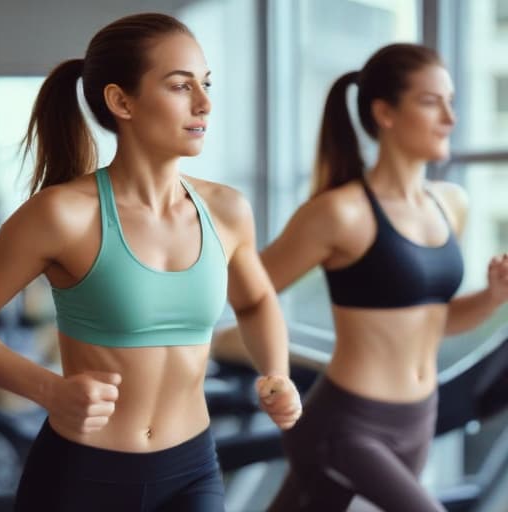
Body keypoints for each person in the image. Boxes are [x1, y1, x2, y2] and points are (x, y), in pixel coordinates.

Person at [0, 13, 301, 512]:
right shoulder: (62, 215)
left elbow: (257, 300)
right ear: (121, 101)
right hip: (81, 477)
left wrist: (277, 371)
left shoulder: (227, 212)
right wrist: (50, 391)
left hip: (192, 472)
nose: (204, 103)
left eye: (205, 84)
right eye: (181, 86)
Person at [212, 43, 508, 511]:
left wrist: (492, 297)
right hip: (346, 424)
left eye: (451, 101)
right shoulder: (338, 213)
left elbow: (434, 322)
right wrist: (257, 362)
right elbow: (246, 293)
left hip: (417, 419)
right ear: (384, 113)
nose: (450, 117)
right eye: (431, 102)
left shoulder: (451, 204)